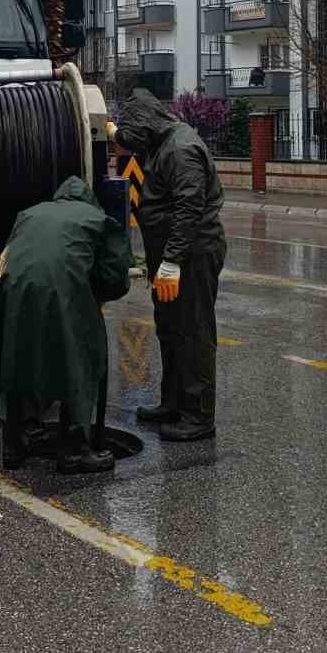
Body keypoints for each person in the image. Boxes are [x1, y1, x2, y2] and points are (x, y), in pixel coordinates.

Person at [0, 176, 132, 474]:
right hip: (61, 291)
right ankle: (75, 452)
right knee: (80, 360)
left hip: (12, 293)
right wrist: (95, 294)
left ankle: (15, 443)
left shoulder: (29, 213)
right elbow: (115, 278)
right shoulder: (98, 219)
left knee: (20, 357)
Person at [115, 89, 226, 442]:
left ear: (148, 126)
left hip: (191, 256)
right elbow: (130, 139)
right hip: (170, 258)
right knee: (170, 328)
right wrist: (113, 131)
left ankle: (198, 417)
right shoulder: (160, 141)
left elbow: (188, 210)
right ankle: (174, 403)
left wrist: (173, 261)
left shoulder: (181, 150)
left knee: (193, 332)